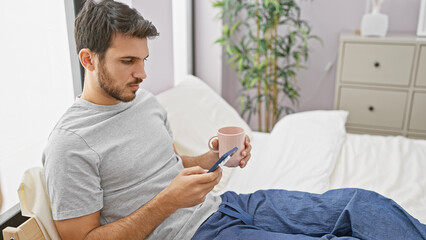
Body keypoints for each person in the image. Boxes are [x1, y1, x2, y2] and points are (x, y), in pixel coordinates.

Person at [42, 1, 426, 240]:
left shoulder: (144, 103)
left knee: (360, 204)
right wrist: (167, 203)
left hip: (227, 205)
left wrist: (213, 157)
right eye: (128, 61)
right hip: (193, 235)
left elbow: (173, 166)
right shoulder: (71, 143)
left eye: (144, 59)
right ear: (88, 59)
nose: (142, 73)